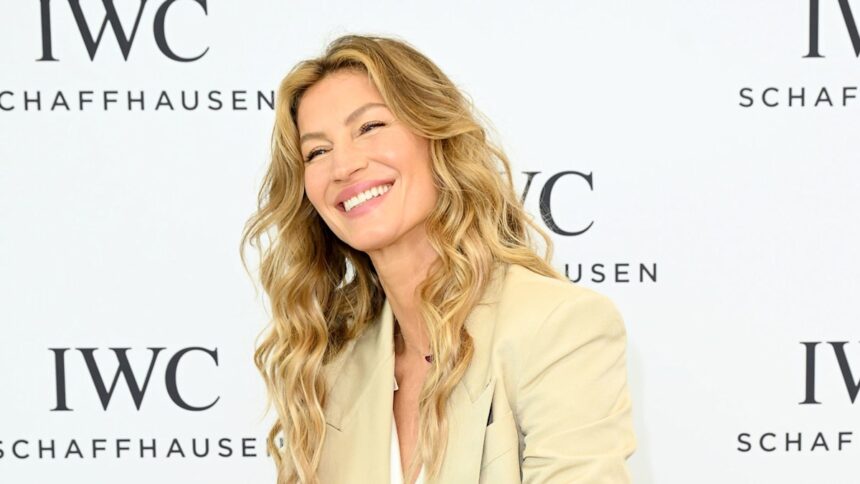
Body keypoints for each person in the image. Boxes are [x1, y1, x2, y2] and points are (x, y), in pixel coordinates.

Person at [240, 33, 636, 484]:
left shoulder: (557, 327)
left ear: (435, 135)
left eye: (370, 127)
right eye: (317, 151)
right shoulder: (334, 367)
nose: (343, 166)